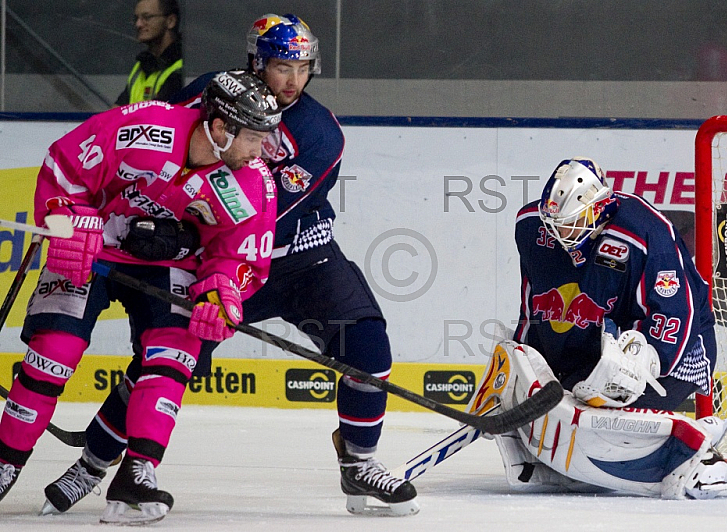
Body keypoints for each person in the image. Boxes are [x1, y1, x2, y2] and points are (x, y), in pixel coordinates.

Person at [42, 14, 419, 518]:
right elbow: (160, 159)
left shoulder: (319, 131)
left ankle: (359, 464)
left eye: (303, 68)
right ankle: (93, 465)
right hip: (222, 266)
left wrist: (180, 230)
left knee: (367, 345)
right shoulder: (207, 94)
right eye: (283, 66)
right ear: (258, 61)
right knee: (164, 365)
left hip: (304, 259)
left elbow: (259, 212)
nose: (293, 80)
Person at [0, 70, 282, 525]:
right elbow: (64, 168)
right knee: (55, 353)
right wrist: (67, 221)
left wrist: (222, 290)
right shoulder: (144, 128)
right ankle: (5, 461)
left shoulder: (251, 184)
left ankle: (138, 471)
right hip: (91, 250)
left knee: (174, 355)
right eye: (252, 138)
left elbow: (238, 255)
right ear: (220, 127)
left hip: (170, 267)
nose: (259, 151)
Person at [467, 157, 727, 498]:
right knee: (545, 400)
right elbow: (532, 304)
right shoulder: (532, 226)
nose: (564, 233)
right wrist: (519, 368)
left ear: (600, 208)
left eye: (574, 223)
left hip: (677, 351)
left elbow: (679, 311)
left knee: (605, 407)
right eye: (557, 223)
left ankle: (702, 458)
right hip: (586, 353)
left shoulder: (645, 231)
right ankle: (544, 461)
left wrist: (643, 361)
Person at [116, 0, 183, 105]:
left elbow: (159, 117)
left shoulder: (182, 69)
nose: (138, 24)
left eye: (147, 17)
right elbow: (115, 111)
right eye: (136, 18)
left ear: (170, 21)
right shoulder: (143, 64)